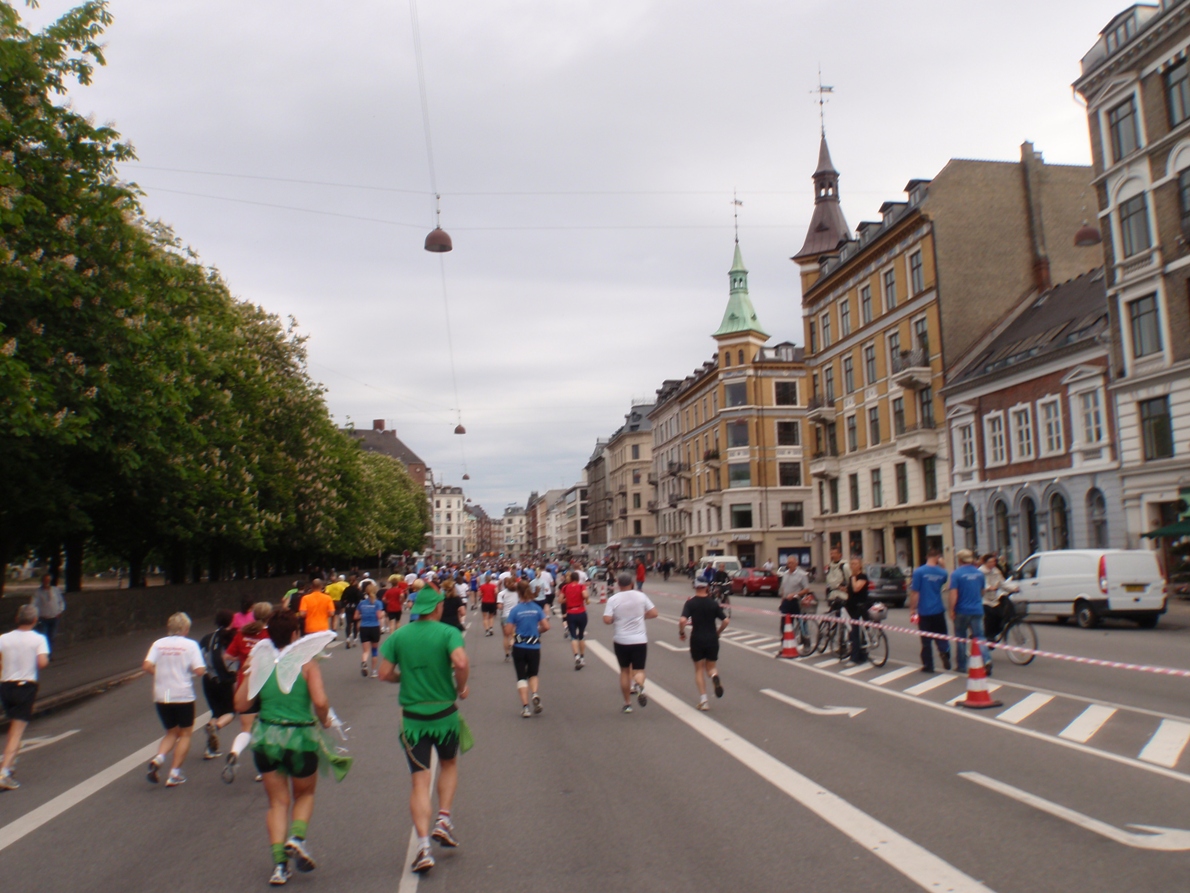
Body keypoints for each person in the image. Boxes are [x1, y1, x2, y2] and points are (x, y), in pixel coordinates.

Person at [234, 609, 349, 886]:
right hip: (300, 736)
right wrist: (323, 721)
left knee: (277, 803)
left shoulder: (259, 662)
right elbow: (320, 702)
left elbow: (240, 705)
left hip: (266, 736)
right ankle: (296, 838)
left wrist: (251, 672)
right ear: (296, 634)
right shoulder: (306, 663)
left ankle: (279, 867)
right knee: (305, 794)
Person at [378, 585, 471, 875]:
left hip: (413, 718)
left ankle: (422, 847)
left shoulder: (399, 635)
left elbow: (383, 673)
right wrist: (461, 686)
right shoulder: (448, 632)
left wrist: (402, 679)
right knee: (449, 764)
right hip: (444, 714)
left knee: (419, 780)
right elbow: (461, 661)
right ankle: (443, 820)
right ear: (437, 608)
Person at [144, 613, 207, 788]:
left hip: (162, 695)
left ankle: (158, 759)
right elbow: (200, 670)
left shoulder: (158, 644)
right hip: (183, 695)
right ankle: (174, 773)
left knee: (171, 732)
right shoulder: (190, 645)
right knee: (185, 734)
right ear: (185, 629)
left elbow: (147, 665)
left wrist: (161, 674)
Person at [223, 601, 274, 783]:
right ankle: (263, 769)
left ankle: (234, 752)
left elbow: (227, 656)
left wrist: (242, 657)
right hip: (265, 686)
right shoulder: (270, 635)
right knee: (266, 727)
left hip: (245, 685)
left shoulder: (242, 633)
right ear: (270, 616)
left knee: (246, 729)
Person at [0, 605, 50, 790]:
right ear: (35, 620)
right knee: (16, 732)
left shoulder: (4, 638)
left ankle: (9, 765)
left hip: (6, 687)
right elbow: (42, 663)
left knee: (14, 727)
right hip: (25, 687)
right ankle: (4, 773)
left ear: (17, 619)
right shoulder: (38, 639)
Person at [603, 571, 658, 713]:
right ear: (632, 583)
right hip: (639, 640)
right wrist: (641, 617)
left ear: (618, 584)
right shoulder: (641, 596)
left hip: (621, 639)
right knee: (639, 670)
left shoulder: (613, 599)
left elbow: (607, 620)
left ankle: (627, 704)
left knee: (624, 671)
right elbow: (654, 613)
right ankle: (639, 684)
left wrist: (617, 618)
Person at [678, 580, 728, 710]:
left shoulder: (690, 603)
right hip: (712, 638)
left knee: (699, 669)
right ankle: (714, 676)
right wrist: (718, 632)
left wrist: (682, 632)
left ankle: (704, 700)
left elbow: (682, 620)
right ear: (707, 588)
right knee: (711, 667)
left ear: (695, 587)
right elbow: (726, 620)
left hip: (697, 639)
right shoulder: (713, 603)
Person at [199, 609, 238, 760]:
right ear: (231, 622)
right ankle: (216, 727)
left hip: (208, 680)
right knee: (229, 712)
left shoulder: (207, 638)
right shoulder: (232, 637)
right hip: (224, 680)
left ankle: (209, 749)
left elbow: (199, 657)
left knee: (215, 712)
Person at [504, 583, 549, 718]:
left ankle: (526, 707)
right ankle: (534, 693)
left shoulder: (515, 610)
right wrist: (537, 630)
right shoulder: (536, 608)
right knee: (533, 674)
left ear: (518, 593)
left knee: (521, 677)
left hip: (519, 646)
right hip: (534, 647)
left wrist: (512, 633)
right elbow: (546, 626)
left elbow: (507, 630)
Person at [909, 548, 951, 673]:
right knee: (942, 636)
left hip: (924, 610)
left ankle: (928, 665)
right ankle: (944, 653)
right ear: (938, 557)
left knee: (926, 640)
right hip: (938, 609)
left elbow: (915, 592)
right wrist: (943, 566)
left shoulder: (919, 572)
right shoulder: (942, 573)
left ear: (927, 556)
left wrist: (912, 608)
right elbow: (944, 581)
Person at [950, 549, 990, 675]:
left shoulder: (956, 574)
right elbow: (982, 591)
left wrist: (952, 609)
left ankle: (961, 665)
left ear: (960, 560)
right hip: (977, 609)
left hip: (962, 610)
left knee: (961, 637)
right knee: (979, 637)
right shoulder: (979, 574)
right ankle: (987, 660)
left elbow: (953, 594)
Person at [777, 556, 812, 650]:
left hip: (797, 601)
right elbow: (783, 589)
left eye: (792, 563)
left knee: (802, 623)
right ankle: (785, 641)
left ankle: (806, 642)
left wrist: (795, 594)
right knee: (785, 623)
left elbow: (806, 589)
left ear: (796, 563)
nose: (790, 565)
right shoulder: (785, 574)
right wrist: (782, 600)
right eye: (788, 563)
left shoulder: (802, 574)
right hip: (786, 602)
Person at [843, 557, 870, 665]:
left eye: (855, 564)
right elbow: (851, 591)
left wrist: (853, 578)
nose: (852, 566)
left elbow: (856, 589)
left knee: (855, 632)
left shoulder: (862, 576)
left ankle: (855, 658)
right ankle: (860, 655)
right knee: (853, 632)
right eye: (851, 564)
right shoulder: (851, 577)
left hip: (860, 607)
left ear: (860, 565)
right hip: (852, 607)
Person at [560, 571, 589, 669]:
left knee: (573, 636)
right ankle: (582, 657)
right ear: (578, 579)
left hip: (570, 613)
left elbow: (560, 600)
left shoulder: (565, 587)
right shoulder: (581, 586)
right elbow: (585, 595)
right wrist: (585, 598)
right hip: (581, 612)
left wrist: (567, 599)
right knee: (581, 635)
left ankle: (576, 656)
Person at [30, 574, 64, 653]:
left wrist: (60, 611)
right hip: (43, 618)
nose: (46, 582)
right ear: (42, 581)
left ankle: (49, 653)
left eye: (48, 580)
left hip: (54, 617)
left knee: (52, 636)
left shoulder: (55, 590)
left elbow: (61, 601)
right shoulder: (38, 592)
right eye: (45, 580)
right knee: (43, 637)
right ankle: (43, 654)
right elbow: (33, 604)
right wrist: (36, 614)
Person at [356, 581, 384, 677]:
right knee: (374, 650)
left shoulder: (361, 603)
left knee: (365, 651)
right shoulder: (378, 603)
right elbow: (379, 616)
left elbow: (356, 616)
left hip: (364, 627)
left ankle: (364, 662)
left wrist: (363, 614)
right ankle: (373, 671)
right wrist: (382, 614)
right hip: (374, 627)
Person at [980, 553, 1007, 643]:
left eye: (994, 561)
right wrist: (989, 588)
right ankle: (988, 635)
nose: (993, 564)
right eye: (990, 562)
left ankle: (993, 634)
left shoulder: (996, 571)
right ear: (985, 563)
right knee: (990, 616)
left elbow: (1002, 583)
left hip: (994, 599)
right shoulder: (980, 572)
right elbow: (981, 583)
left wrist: (1014, 588)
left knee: (1000, 616)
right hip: (983, 599)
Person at [498, 577, 520, 662]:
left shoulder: (501, 594)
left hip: (505, 616)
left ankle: (507, 654)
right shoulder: (517, 593)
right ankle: (512, 644)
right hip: (516, 615)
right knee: (514, 634)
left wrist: (503, 606)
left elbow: (500, 607)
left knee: (505, 636)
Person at [340, 576, 363, 649]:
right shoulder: (357, 590)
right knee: (356, 623)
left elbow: (342, 599)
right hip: (356, 608)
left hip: (348, 607)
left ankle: (347, 638)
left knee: (348, 624)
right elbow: (361, 597)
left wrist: (344, 605)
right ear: (355, 581)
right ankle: (355, 640)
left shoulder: (346, 590)